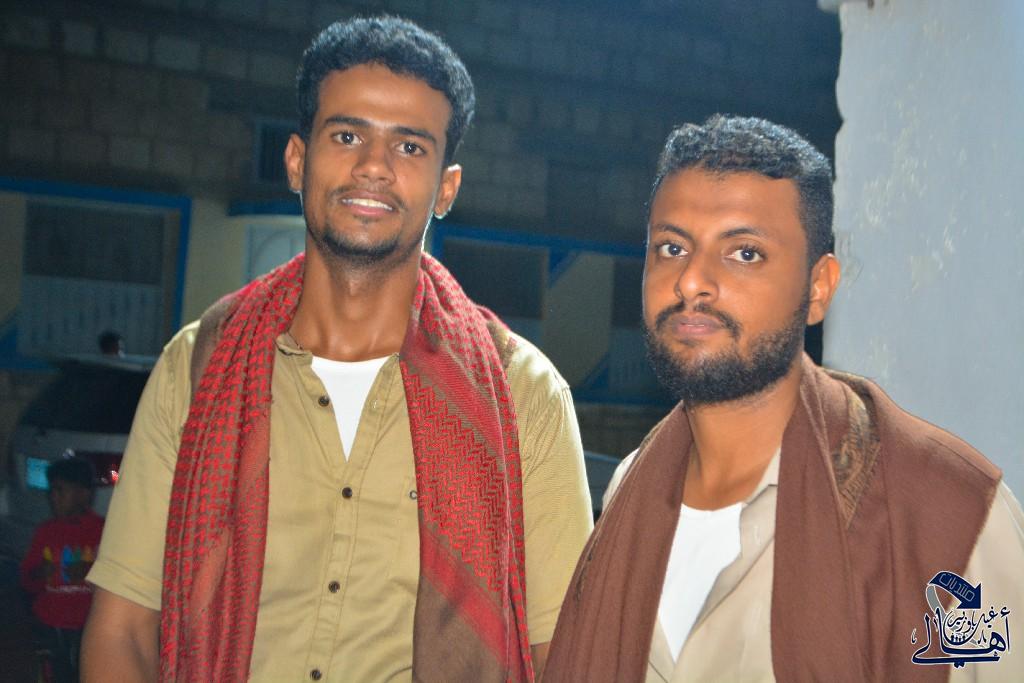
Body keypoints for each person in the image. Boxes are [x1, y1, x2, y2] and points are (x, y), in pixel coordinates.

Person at [81, 16, 591, 683]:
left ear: (446, 188)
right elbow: (122, 630)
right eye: (347, 136)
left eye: (409, 146)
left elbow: (564, 656)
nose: (374, 166)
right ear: (297, 160)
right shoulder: (197, 366)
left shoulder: (522, 392)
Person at [543, 115, 1024, 682]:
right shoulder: (631, 488)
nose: (691, 280)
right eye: (672, 247)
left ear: (818, 288)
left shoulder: (947, 511)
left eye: (744, 253)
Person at [20, 456, 105, 683]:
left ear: (83, 494)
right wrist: (40, 573)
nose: (53, 497)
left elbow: (118, 577)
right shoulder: (46, 531)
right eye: (51, 491)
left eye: (60, 490)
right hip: (52, 623)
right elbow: (27, 579)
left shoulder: (101, 531)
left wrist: (91, 570)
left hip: (88, 624)